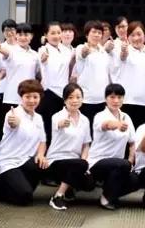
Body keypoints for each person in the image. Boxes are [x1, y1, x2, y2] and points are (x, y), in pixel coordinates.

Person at [0, 79, 47, 205]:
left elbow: (42, 141)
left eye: (35, 97)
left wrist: (40, 155)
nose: (32, 100)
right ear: (21, 97)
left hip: (26, 160)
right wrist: (14, 122)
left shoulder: (38, 118)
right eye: (27, 97)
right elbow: (12, 123)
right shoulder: (13, 114)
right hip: (9, 162)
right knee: (25, 197)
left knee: (44, 164)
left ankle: (18, 185)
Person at [86, 83, 138, 210]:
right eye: (112, 97)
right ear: (106, 98)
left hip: (118, 165)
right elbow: (106, 125)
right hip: (98, 162)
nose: (116, 101)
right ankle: (106, 199)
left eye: (119, 97)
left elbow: (132, 143)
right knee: (122, 165)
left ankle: (108, 193)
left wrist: (130, 161)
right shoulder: (100, 116)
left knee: (135, 180)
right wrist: (117, 124)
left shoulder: (126, 117)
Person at [45, 83, 94, 211]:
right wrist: (62, 123)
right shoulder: (57, 116)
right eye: (70, 97)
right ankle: (58, 196)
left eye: (78, 97)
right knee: (79, 165)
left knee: (89, 183)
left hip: (76, 162)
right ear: (64, 100)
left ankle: (69, 187)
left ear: (82, 99)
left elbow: (86, 144)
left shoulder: (85, 120)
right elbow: (58, 124)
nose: (74, 100)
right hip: (57, 160)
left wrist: (84, 162)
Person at [111, 21, 145, 127]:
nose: (136, 38)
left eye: (139, 34)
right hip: (126, 102)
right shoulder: (123, 50)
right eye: (132, 35)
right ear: (127, 37)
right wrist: (124, 51)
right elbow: (122, 56)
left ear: (144, 35)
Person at [38, 22, 72, 145]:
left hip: (64, 94)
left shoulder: (66, 50)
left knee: (63, 128)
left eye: (58, 33)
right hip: (49, 93)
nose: (56, 36)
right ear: (46, 35)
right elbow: (42, 61)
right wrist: (43, 59)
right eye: (52, 33)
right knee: (49, 128)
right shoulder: (43, 49)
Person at [0, 23, 41, 124]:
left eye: (26, 35)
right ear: (16, 36)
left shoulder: (35, 55)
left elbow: (38, 75)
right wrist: (1, 50)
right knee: (9, 127)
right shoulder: (11, 51)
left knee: (27, 126)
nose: (23, 37)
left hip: (28, 99)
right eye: (20, 34)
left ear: (31, 36)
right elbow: (6, 54)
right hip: (12, 97)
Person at [73, 20, 112, 125]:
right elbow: (82, 55)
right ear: (87, 34)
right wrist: (85, 52)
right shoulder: (81, 48)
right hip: (86, 100)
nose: (96, 35)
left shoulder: (104, 52)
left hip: (103, 100)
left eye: (99, 33)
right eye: (94, 32)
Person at [0, 19, 18, 102]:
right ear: (3, 32)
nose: (9, 33)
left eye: (12, 29)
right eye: (6, 30)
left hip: (17, 88)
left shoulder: (21, 47)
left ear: (16, 31)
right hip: (3, 87)